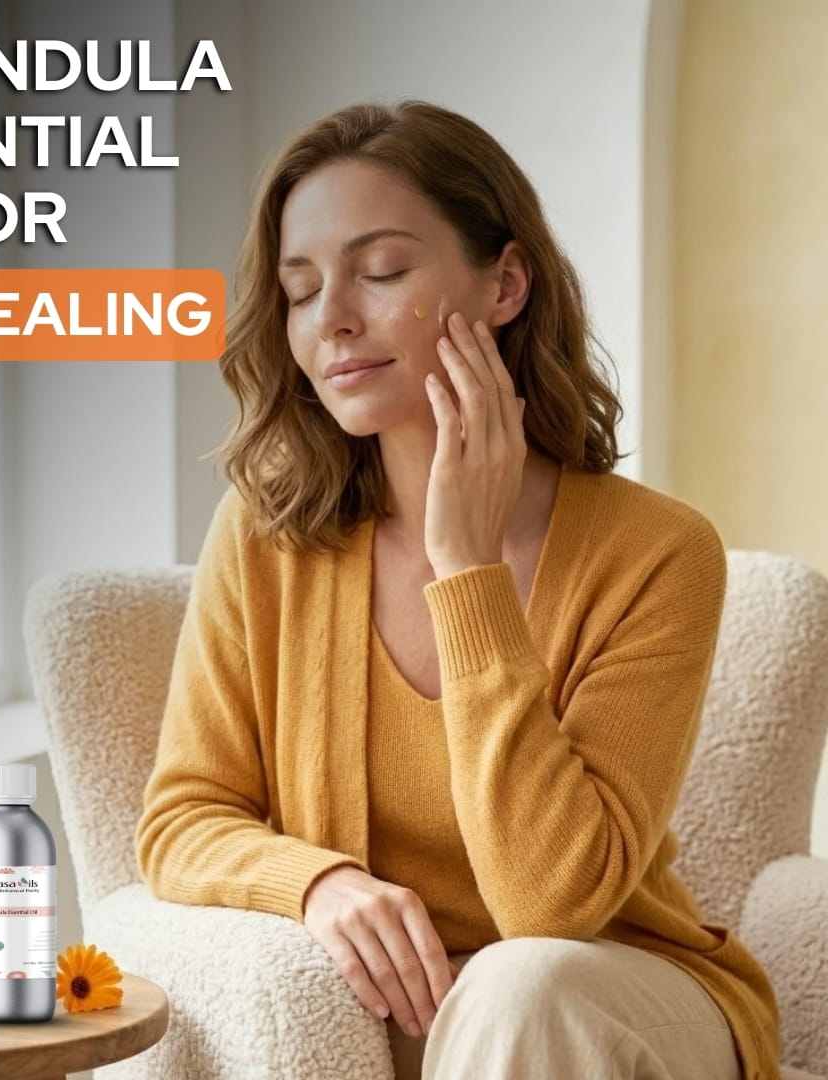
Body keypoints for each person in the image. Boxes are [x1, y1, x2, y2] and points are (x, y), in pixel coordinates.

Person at [135, 100, 779, 1080]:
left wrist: (468, 573)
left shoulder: (658, 554)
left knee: (520, 987)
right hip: (382, 1018)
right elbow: (181, 819)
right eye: (301, 290)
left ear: (506, 284)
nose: (335, 318)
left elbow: (552, 909)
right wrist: (316, 884)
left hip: (607, 998)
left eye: (382, 271)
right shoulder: (268, 539)